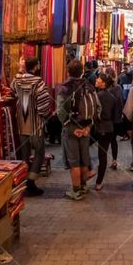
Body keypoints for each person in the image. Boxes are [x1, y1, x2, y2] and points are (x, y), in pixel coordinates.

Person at [11, 57, 53, 197]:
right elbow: (43, 102)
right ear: (35, 67)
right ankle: (31, 182)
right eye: (38, 64)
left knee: (25, 154)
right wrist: (44, 114)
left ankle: (24, 182)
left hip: (22, 123)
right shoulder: (38, 82)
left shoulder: (17, 80)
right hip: (35, 123)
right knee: (39, 153)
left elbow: (12, 91)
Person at [57, 60, 97, 200]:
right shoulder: (89, 86)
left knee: (74, 161)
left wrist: (69, 127)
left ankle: (76, 190)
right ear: (81, 71)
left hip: (71, 129)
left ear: (68, 71)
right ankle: (84, 185)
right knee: (84, 158)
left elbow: (60, 111)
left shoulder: (65, 88)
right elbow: (98, 107)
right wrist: (88, 126)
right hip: (86, 128)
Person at [93, 73, 120, 189]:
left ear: (103, 83)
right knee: (102, 156)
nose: (96, 79)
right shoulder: (112, 98)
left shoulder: (96, 96)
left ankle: (84, 176)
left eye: (98, 78)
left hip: (96, 127)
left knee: (83, 150)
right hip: (108, 128)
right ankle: (99, 183)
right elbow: (115, 117)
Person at [102, 67, 123, 167]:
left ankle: (104, 161)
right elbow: (120, 103)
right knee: (113, 140)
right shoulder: (118, 88)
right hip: (115, 118)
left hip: (105, 118)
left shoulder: (104, 89)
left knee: (104, 141)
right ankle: (114, 160)